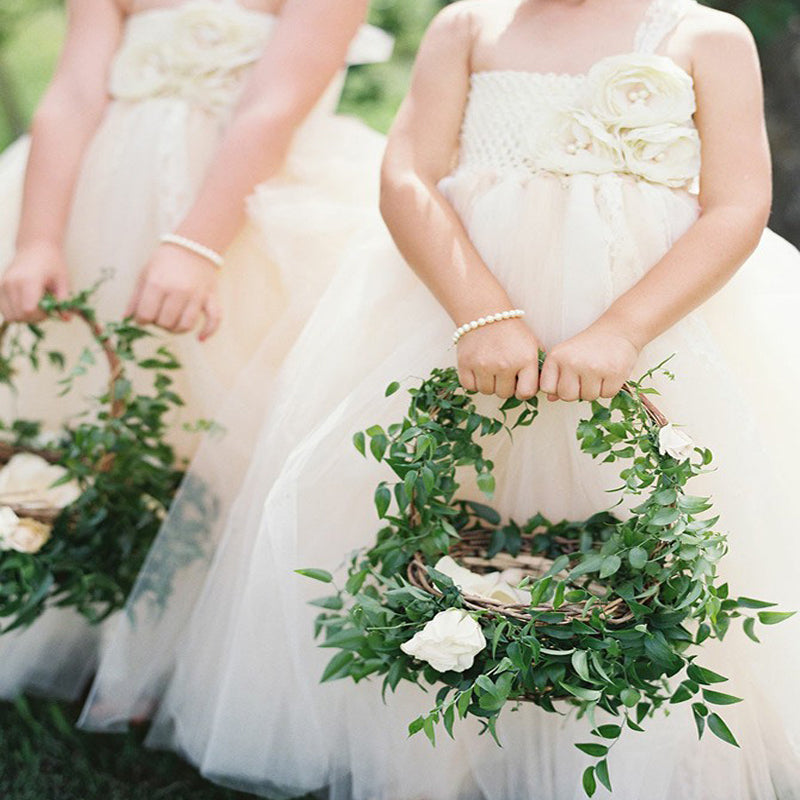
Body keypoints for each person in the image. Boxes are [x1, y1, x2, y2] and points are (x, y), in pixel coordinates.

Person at [83, 0, 800, 798]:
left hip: (650, 314)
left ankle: (639, 754)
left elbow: (738, 203)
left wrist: (623, 331)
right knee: (453, 509)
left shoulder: (704, 36)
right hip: (460, 304)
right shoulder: (469, 26)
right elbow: (407, 174)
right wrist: (480, 313)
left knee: (645, 523)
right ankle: (449, 735)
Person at [0, 0, 391, 701]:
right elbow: (73, 94)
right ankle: (89, 617)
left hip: (241, 210)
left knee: (229, 432)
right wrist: (38, 237)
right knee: (91, 408)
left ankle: (207, 660)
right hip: (99, 200)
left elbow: (271, 107)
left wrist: (196, 245)